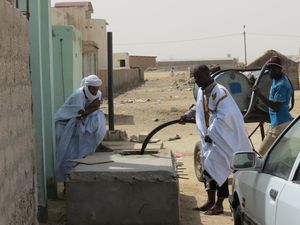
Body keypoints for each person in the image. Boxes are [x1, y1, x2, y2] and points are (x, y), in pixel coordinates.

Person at [181, 65, 252, 215]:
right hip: (209, 139)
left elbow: (225, 116)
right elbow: (199, 108)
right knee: (208, 170)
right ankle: (210, 201)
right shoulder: (202, 91)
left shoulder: (220, 92)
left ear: (208, 75)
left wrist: (212, 133)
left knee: (220, 168)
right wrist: (187, 115)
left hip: (223, 137)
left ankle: (219, 204)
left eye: (199, 77)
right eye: (195, 77)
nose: (197, 80)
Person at [55, 74, 107, 182]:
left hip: (78, 124)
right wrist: (89, 108)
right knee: (67, 154)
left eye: (96, 89)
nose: (94, 91)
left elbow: (95, 107)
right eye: (91, 88)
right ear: (86, 87)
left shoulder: (98, 94)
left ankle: (98, 143)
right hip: (65, 125)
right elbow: (79, 113)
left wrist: (89, 109)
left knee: (98, 116)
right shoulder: (78, 95)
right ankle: (65, 182)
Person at [253, 56, 293, 156]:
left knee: (262, 153)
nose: (270, 71)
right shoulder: (276, 79)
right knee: (284, 155)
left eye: (273, 69)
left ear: (279, 69)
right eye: (269, 68)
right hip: (278, 123)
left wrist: (260, 95)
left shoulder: (282, 85)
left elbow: (276, 107)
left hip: (280, 125)